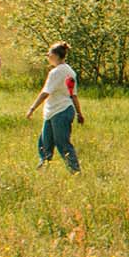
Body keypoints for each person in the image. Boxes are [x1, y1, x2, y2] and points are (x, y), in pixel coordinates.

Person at [31, 42, 84, 172]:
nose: (48, 56)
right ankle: (43, 168)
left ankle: (75, 170)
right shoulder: (70, 72)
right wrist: (79, 113)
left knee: (62, 143)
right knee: (45, 142)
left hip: (60, 111)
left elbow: (45, 93)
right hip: (56, 111)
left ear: (55, 55)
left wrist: (32, 108)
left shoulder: (56, 72)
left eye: (49, 54)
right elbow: (74, 95)